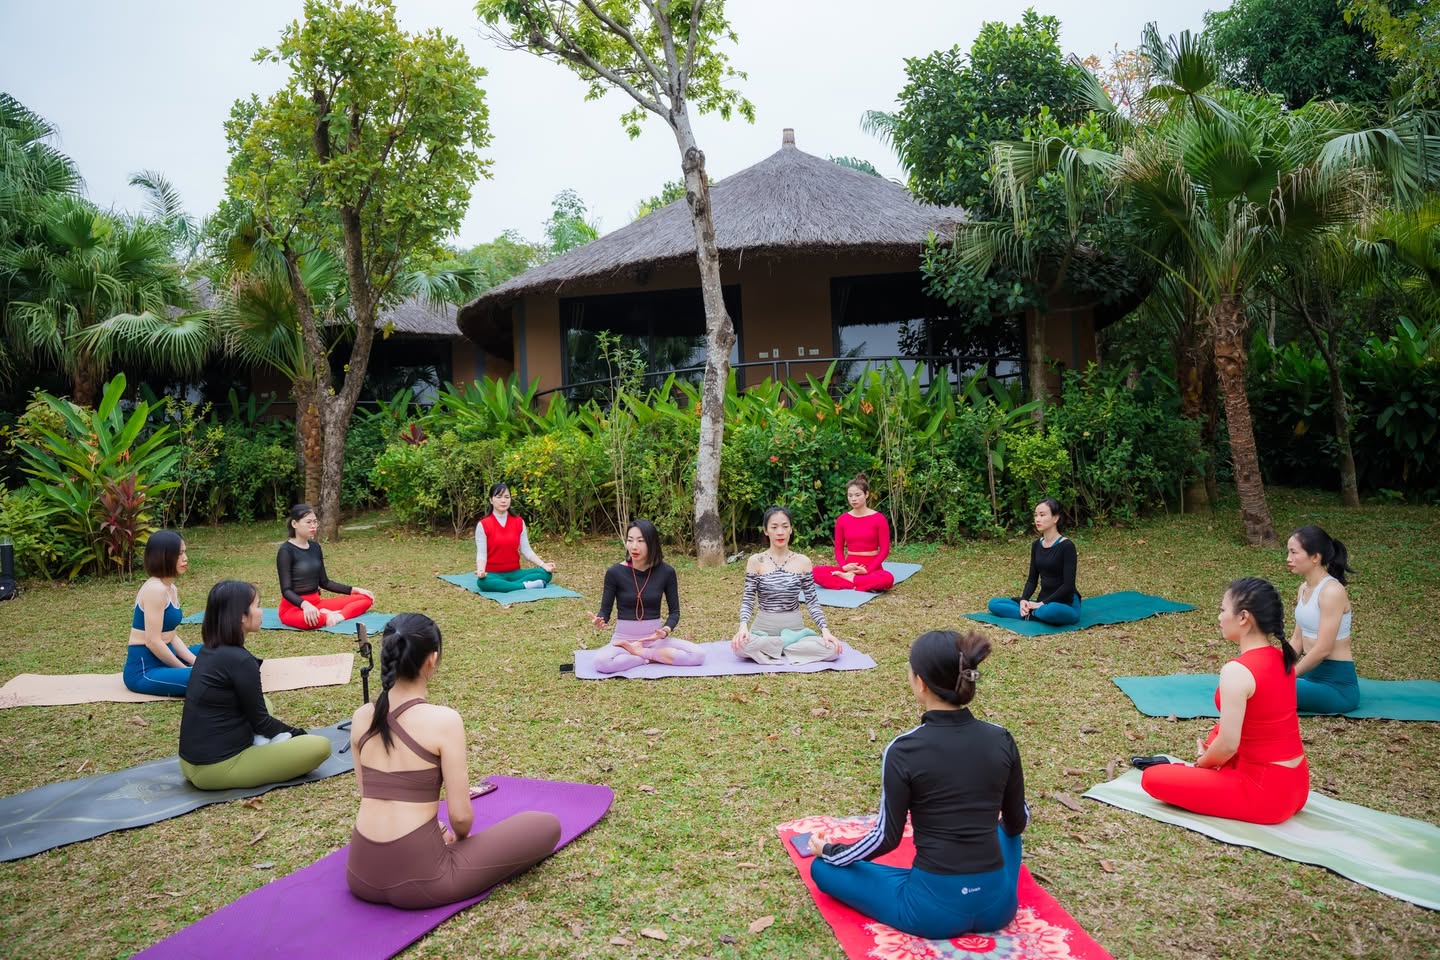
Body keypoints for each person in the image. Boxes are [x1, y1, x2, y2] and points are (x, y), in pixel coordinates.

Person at [808, 630, 1027, 940]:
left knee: (823, 869)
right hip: (998, 907)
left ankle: (854, 866)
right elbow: (1018, 821)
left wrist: (829, 850)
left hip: (932, 911)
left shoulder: (902, 750)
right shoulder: (1001, 738)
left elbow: (886, 838)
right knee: (1005, 829)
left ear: (921, 683)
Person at [347, 613, 561, 908]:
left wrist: (434, 826)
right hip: (422, 881)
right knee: (545, 825)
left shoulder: (361, 717)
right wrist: (455, 836)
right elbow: (461, 818)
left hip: (359, 873)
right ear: (432, 659)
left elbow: (369, 793)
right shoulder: (443, 720)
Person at [1141, 577, 1309, 824]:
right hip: (1297, 785)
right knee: (1215, 735)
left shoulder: (1237, 670)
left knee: (1152, 778)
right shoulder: (1280, 658)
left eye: (1222, 610)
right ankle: (1217, 768)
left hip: (1266, 795)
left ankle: (1207, 770)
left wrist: (1201, 764)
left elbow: (1229, 745)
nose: (1219, 617)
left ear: (1243, 617)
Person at [178, 580, 332, 789]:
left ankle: (259, 742)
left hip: (188, 763)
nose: (261, 612)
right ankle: (261, 745)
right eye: (257, 606)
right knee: (320, 746)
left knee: (265, 702)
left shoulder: (210, 649)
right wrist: (299, 735)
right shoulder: (240, 660)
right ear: (241, 616)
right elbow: (262, 722)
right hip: (217, 768)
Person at [589, 519, 706, 674]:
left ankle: (643, 654)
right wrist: (600, 619)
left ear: (652, 543)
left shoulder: (666, 572)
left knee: (698, 655)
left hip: (654, 640)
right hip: (623, 641)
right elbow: (605, 611)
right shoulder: (614, 572)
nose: (634, 546)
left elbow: (674, 613)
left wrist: (664, 630)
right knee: (602, 663)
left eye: (640, 541)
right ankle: (645, 658)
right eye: (630, 540)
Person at [731, 507, 843, 665]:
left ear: (791, 529)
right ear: (765, 530)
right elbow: (748, 599)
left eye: (785, 526)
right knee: (738, 648)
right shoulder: (756, 561)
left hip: (795, 632)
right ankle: (783, 647)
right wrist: (743, 627)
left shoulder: (803, 561)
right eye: (774, 527)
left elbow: (812, 601)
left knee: (832, 650)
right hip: (763, 630)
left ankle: (775, 649)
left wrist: (825, 630)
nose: (780, 532)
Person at [1287, 525, 1359, 714]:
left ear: (1315, 557)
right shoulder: (1303, 588)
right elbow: (1296, 640)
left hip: (1336, 686)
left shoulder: (1332, 591)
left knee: (1264, 690)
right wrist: (1277, 668)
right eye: (1288, 552)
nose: (1288, 559)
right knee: (1257, 681)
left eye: (1294, 552)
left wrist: (1288, 676)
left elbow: (1323, 649)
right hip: (1311, 677)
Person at [124, 531, 199, 696]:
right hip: (145, 670)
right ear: (163, 556)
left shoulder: (170, 588)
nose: (185, 558)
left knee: (216, 650)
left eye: (185, 552)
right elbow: (153, 642)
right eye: (179, 554)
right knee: (205, 679)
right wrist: (187, 670)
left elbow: (172, 636)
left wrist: (196, 662)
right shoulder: (155, 590)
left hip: (166, 659)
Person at [276, 504, 375, 629]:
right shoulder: (286, 551)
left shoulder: (315, 547)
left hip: (317, 603)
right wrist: (305, 605)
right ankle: (325, 616)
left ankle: (337, 617)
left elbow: (324, 582)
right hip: (294, 608)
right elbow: (286, 591)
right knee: (312, 620)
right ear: (294, 524)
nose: (313, 526)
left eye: (315, 522)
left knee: (365, 599)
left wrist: (354, 590)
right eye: (308, 522)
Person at [985, 498, 1081, 626]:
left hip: (1064, 604)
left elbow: (1068, 586)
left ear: (1055, 518)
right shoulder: (1036, 545)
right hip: (1040, 603)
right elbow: (1032, 579)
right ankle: (1031, 612)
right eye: (1035, 515)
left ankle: (1032, 613)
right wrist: (1024, 600)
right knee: (994, 603)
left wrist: (1041, 604)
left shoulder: (1067, 546)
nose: (1037, 519)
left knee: (1051, 611)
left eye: (1042, 515)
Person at [811, 475, 896, 593]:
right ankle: (860, 582)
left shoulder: (879, 519)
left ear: (866, 494)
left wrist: (867, 570)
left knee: (887, 579)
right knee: (816, 572)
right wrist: (844, 567)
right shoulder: (842, 520)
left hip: (871, 569)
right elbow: (838, 549)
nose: (853, 499)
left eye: (857, 495)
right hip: (849, 567)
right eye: (850, 496)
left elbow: (884, 550)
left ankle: (851, 580)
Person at [474, 483, 556, 593]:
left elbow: (526, 550)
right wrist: (481, 570)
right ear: (491, 500)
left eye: (506, 497)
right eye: (499, 497)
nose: (503, 500)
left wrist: (543, 565)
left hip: (515, 573)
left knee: (545, 574)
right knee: (483, 583)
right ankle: (525, 585)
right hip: (493, 574)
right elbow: (481, 553)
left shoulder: (519, 522)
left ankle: (512, 585)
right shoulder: (483, 524)